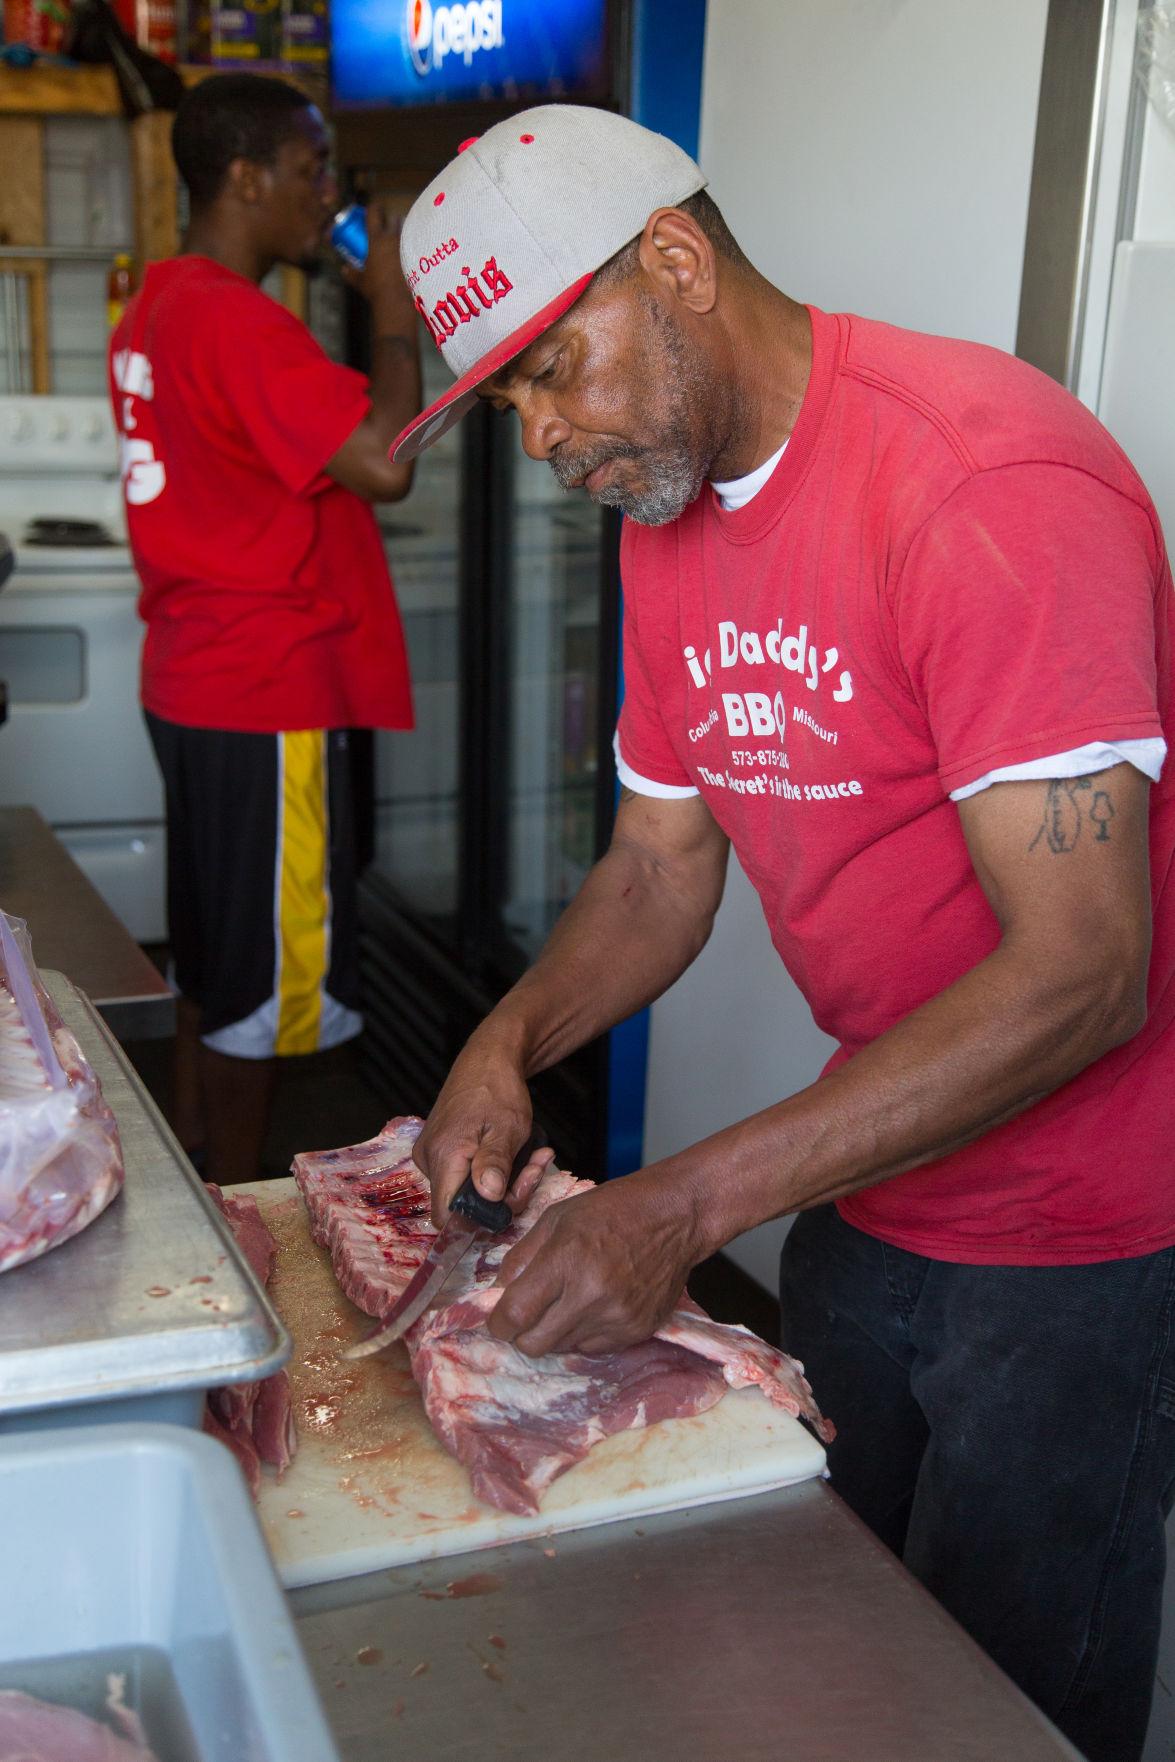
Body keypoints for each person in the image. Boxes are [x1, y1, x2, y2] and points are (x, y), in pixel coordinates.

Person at [394, 105, 1175, 1762]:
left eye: (546, 373)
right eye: (510, 403)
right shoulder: (664, 518)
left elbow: (1089, 968)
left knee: (1009, 1701)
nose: (534, 438)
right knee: (827, 1650)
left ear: (670, 263)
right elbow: (659, 867)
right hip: (863, 1184)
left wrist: (680, 1201)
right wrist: (505, 1038)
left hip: (1085, 1242)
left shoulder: (983, 485)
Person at [109, 74, 421, 1182]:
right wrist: (390, 301)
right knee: (261, 994)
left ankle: (190, 1158)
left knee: (207, 952)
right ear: (244, 179)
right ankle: (240, 1222)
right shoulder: (240, 322)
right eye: (310, 170)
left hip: (192, 679)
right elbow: (384, 460)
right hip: (266, 689)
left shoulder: (161, 301)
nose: (324, 191)